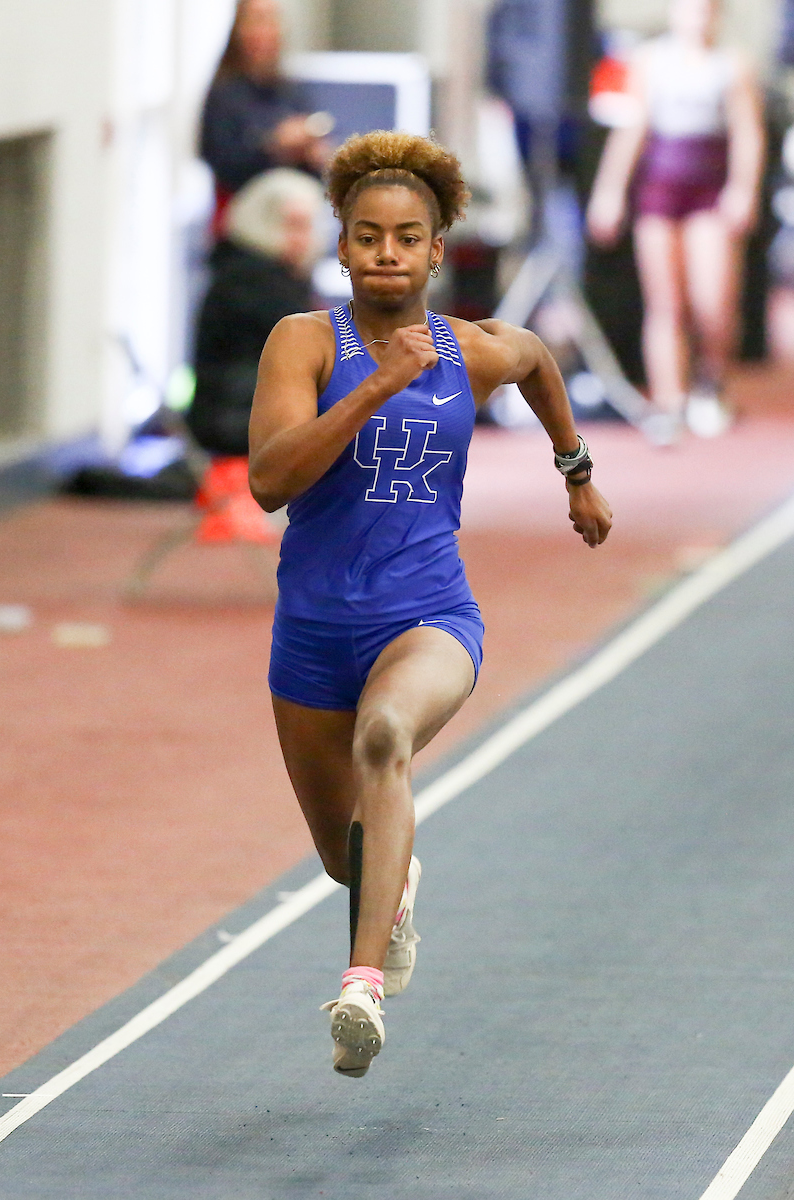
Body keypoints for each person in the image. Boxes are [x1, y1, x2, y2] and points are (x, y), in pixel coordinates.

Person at [248, 131, 613, 1077]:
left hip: (428, 618)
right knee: (348, 858)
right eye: (368, 236)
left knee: (385, 740)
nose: (387, 253)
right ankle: (392, 884)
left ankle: (360, 988)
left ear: (437, 251)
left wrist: (576, 471)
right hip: (312, 633)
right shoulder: (302, 342)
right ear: (342, 247)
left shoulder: (473, 350)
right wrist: (377, 384)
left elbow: (537, 361)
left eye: (407, 238)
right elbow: (270, 482)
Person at [586, 0, 765, 443]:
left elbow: (747, 132)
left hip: (709, 188)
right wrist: (609, 191)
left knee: (713, 302)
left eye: (705, 9)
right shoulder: (649, 61)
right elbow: (632, 129)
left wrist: (743, 188)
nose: (696, 17)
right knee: (664, 302)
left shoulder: (732, 65)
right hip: (660, 190)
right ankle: (669, 400)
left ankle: (710, 383)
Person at [187, 168, 325, 457]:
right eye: (293, 226)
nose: (303, 239)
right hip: (235, 424)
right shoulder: (251, 280)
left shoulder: (253, 272)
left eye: (307, 226)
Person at [200, 0, 330, 235]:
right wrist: (274, 146)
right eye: (257, 20)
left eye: (271, 21)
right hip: (243, 222)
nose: (265, 31)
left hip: (294, 219)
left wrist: (312, 152)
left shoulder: (290, 91)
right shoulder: (225, 94)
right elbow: (221, 160)